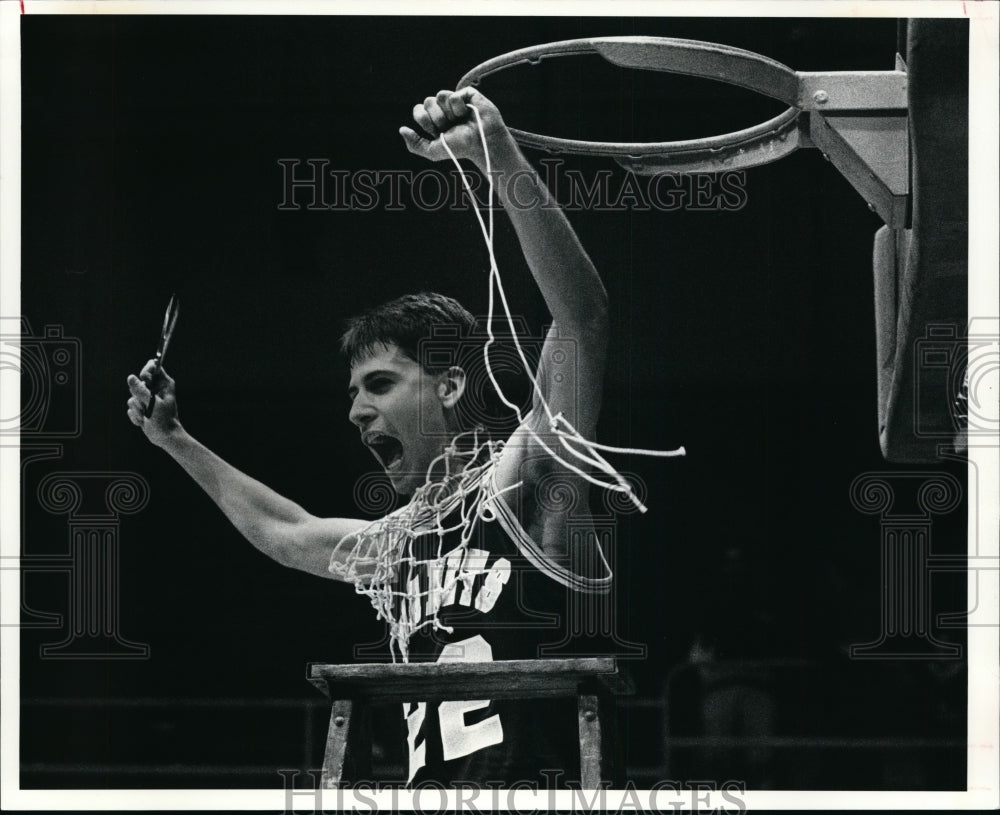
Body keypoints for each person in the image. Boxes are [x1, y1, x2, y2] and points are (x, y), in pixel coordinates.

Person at [126, 88, 612, 787]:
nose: (356, 410)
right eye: (353, 392)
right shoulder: (399, 542)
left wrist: (495, 155)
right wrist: (174, 440)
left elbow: (582, 320)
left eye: (380, 384)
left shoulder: (524, 479)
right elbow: (285, 529)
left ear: (449, 384)